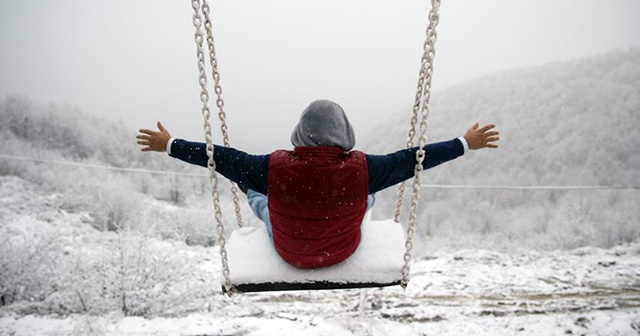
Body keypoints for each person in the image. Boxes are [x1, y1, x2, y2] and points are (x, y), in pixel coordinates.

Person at [137, 100, 499, 269]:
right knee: (367, 195)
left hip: (288, 250)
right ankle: (352, 205)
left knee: (256, 195)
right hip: (341, 249)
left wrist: (169, 144)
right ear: (345, 135)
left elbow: (218, 156)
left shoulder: (270, 167)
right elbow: (415, 159)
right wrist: (465, 143)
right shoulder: (364, 168)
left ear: (299, 133)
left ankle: (258, 198)